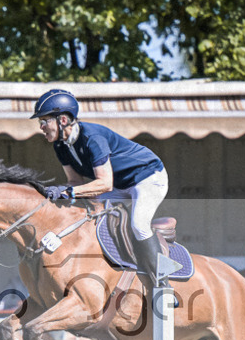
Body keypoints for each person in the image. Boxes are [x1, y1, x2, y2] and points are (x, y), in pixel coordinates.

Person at [31, 89, 172, 291]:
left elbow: (103, 184)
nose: (41, 127)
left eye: (44, 121)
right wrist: (59, 190)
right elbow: (75, 181)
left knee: (139, 225)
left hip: (147, 177)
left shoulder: (92, 138)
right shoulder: (60, 146)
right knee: (82, 213)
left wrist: (69, 192)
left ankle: (162, 284)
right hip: (119, 184)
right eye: (40, 123)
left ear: (62, 120)